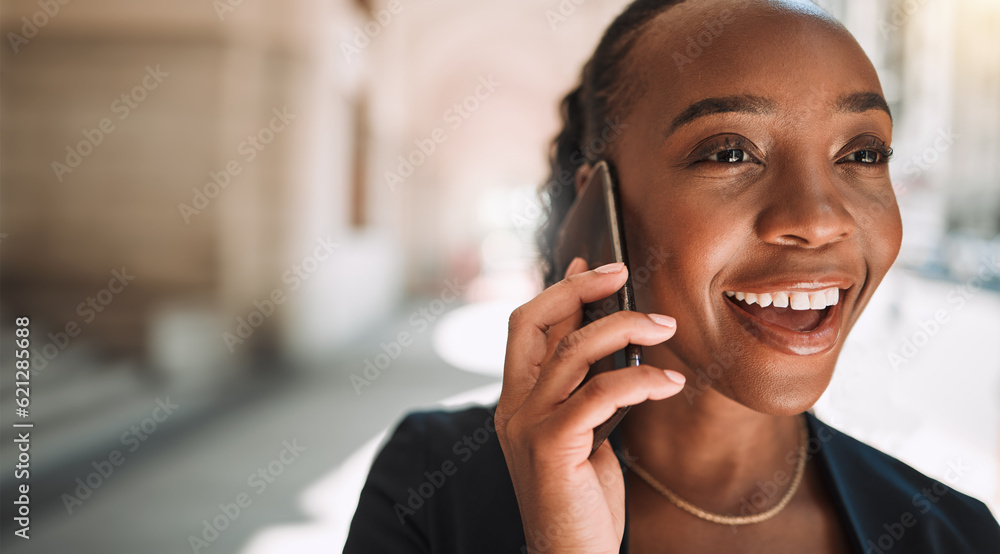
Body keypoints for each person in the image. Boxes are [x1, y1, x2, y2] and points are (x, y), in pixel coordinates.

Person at [344, 1, 1000, 552]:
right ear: (596, 212)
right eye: (729, 152)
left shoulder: (957, 535)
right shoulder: (429, 485)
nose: (818, 219)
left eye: (862, 153)